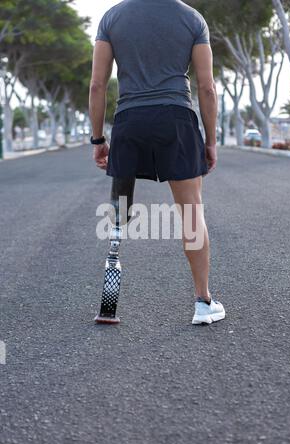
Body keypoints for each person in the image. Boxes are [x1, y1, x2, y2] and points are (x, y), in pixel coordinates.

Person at [89, 0, 225, 324]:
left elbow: (97, 84)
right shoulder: (192, 19)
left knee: (120, 209)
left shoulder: (112, 17)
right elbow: (207, 87)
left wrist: (98, 139)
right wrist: (210, 140)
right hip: (176, 120)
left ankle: (109, 301)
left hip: (129, 121)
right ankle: (203, 302)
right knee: (191, 212)